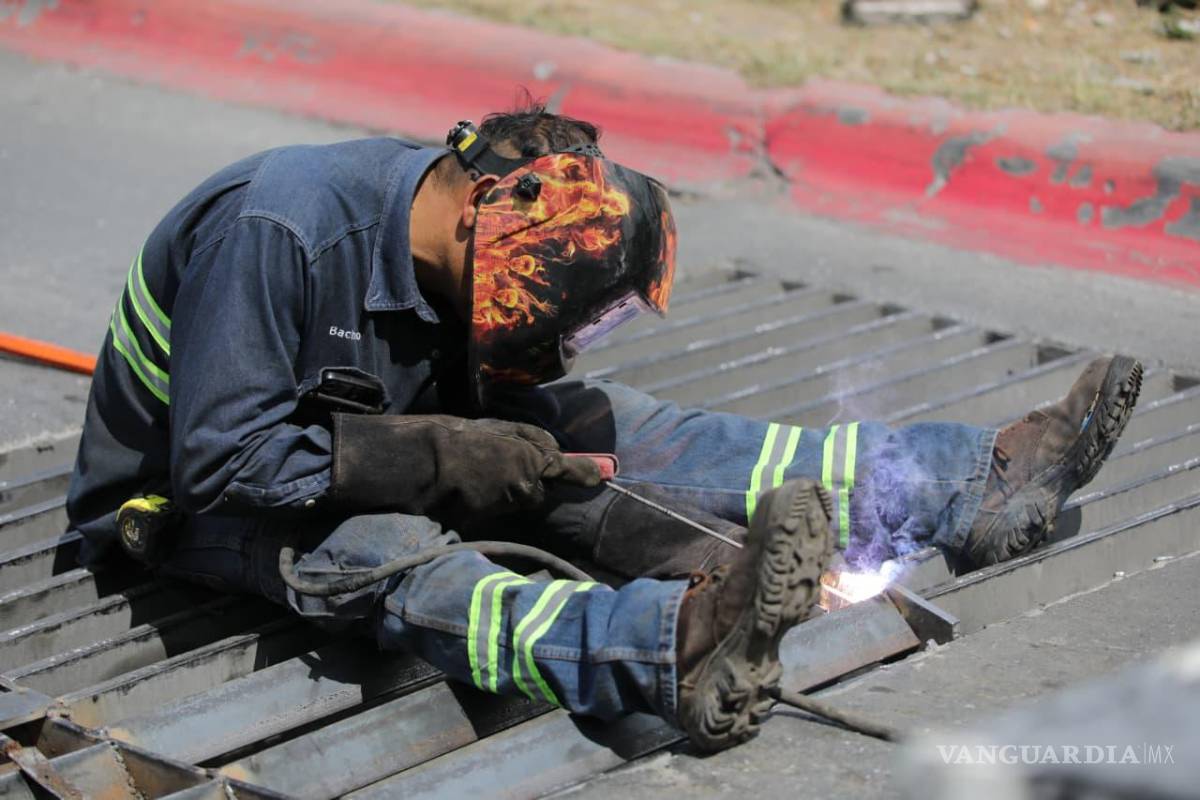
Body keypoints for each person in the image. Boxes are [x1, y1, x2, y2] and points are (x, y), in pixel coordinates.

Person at [67, 105, 1142, 752]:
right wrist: (448, 457)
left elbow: (507, 414)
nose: (565, 340)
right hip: (188, 500)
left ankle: (959, 484)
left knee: (622, 431)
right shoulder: (283, 231)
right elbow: (226, 459)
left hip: (364, 440)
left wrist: (628, 507)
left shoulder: (456, 223)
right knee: (387, 554)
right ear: (501, 233)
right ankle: (669, 651)